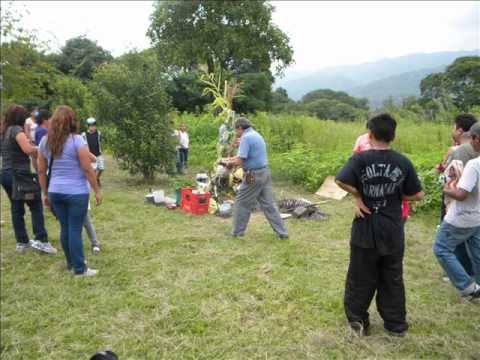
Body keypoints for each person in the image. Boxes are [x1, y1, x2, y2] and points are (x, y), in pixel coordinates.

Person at [336, 113, 424, 337]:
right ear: (393, 136)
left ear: (370, 134)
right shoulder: (403, 162)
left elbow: (340, 180)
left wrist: (359, 195)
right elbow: (419, 194)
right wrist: (399, 196)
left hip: (365, 229)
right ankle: (395, 325)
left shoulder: (359, 159)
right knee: (392, 277)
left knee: (360, 277)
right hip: (393, 229)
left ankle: (358, 323)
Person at [38, 106, 102, 277]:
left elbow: (41, 171)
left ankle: (71, 264)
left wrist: (45, 193)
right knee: (74, 230)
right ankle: (80, 270)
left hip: (55, 192)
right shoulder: (76, 141)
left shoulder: (45, 141)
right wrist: (96, 190)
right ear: (72, 121)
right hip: (76, 192)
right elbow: (87, 169)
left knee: (65, 228)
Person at [0, 104, 57, 254]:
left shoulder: (5, 131)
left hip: (6, 174)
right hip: (19, 175)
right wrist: (41, 147)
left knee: (16, 208)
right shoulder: (17, 130)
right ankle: (41, 240)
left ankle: (22, 242)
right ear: (19, 117)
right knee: (35, 205)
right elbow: (27, 149)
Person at [433, 122, 480, 302]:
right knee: (477, 252)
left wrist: (446, 188)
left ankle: (468, 287)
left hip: (462, 216)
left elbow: (461, 194)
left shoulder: (474, 165)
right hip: (477, 217)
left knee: (441, 248)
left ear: (476, 139)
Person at [223, 117, 288, 239]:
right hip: (264, 173)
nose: (236, 133)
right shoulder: (255, 134)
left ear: (240, 128)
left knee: (241, 203)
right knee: (269, 205)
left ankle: (237, 234)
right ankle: (283, 233)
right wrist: (235, 154)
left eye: (236, 130)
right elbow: (249, 155)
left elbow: (240, 160)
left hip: (253, 175)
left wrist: (226, 162)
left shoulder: (246, 138)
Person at [441, 114, 478, 276]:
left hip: (462, 208)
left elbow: (457, 184)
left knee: (443, 247)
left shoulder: (464, 154)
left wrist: (447, 189)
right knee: (475, 247)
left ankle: (465, 280)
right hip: (475, 210)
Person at [82, 118, 104, 187]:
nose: (93, 127)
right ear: (88, 126)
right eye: (91, 126)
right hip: (90, 155)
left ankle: (96, 179)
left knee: (101, 168)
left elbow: (100, 142)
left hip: (98, 154)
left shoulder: (98, 133)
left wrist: (101, 150)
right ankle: (94, 183)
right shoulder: (84, 135)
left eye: (94, 125)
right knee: (93, 170)